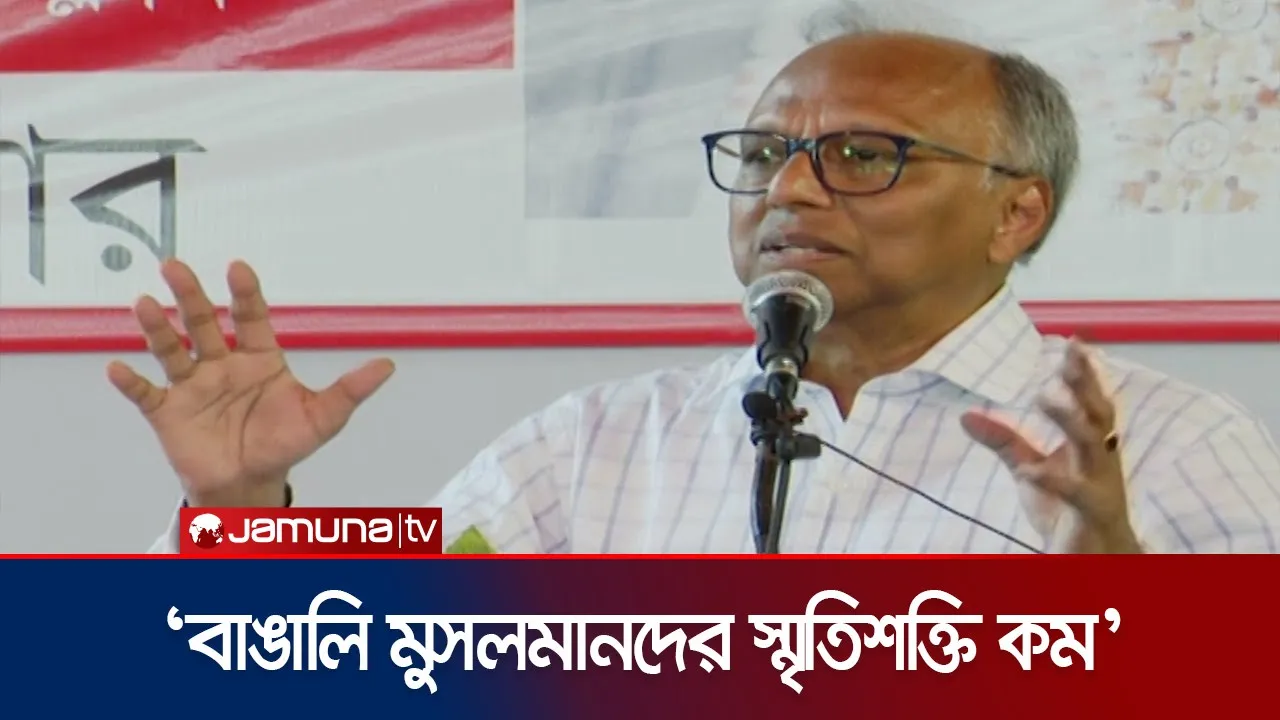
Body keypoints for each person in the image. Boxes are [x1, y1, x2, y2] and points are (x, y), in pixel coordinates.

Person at [128, 8, 1280, 555]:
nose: (791, 190)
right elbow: (378, 668)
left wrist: (1118, 610)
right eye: (766, 152)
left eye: (862, 155)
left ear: (1014, 210)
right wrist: (245, 508)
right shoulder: (593, 447)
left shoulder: (1167, 443)